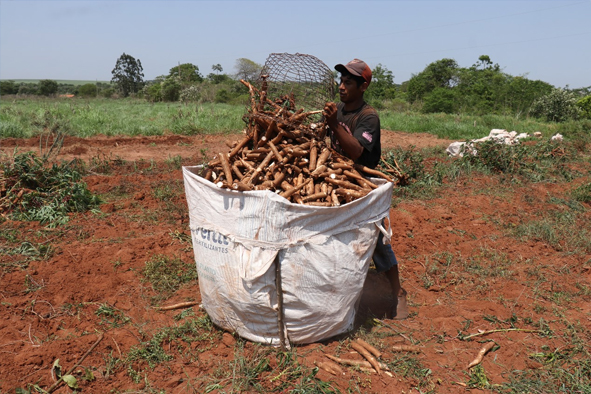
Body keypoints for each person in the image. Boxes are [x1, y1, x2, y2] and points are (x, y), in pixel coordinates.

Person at [323, 59, 408, 320]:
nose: (342, 86)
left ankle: (398, 293)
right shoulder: (337, 109)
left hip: (363, 186)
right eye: (341, 81)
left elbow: (358, 151)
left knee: (378, 241)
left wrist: (335, 124)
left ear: (363, 86)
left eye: (348, 82)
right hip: (335, 181)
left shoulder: (368, 117)